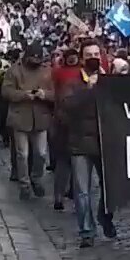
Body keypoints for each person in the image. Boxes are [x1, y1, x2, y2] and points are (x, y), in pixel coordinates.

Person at [60, 41, 116, 247]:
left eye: (96, 53)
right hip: (80, 142)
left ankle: (105, 216)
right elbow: (66, 107)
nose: (93, 57)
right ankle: (86, 231)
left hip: (105, 142)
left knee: (109, 187)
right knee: (82, 190)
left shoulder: (110, 80)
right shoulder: (73, 82)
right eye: (89, 54)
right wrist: (89, 89)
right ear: (82, 59)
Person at [2, 41, 54, 200]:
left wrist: (44, 95)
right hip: (20, 117)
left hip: (40, 118)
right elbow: (6, 92)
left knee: (41, 153)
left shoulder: (48, 72)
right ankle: (24, 184)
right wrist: (24, 95)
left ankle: (36, 178)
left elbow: (56, 93)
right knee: (22, 154)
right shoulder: (14, 70)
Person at [52, 45, 85, 211]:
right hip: (67, 123)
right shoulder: (62, 73)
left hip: (69, 122)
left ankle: (66, 193)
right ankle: (63, 194)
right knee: (68, 162)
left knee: (68, 163)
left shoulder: (80, 72)